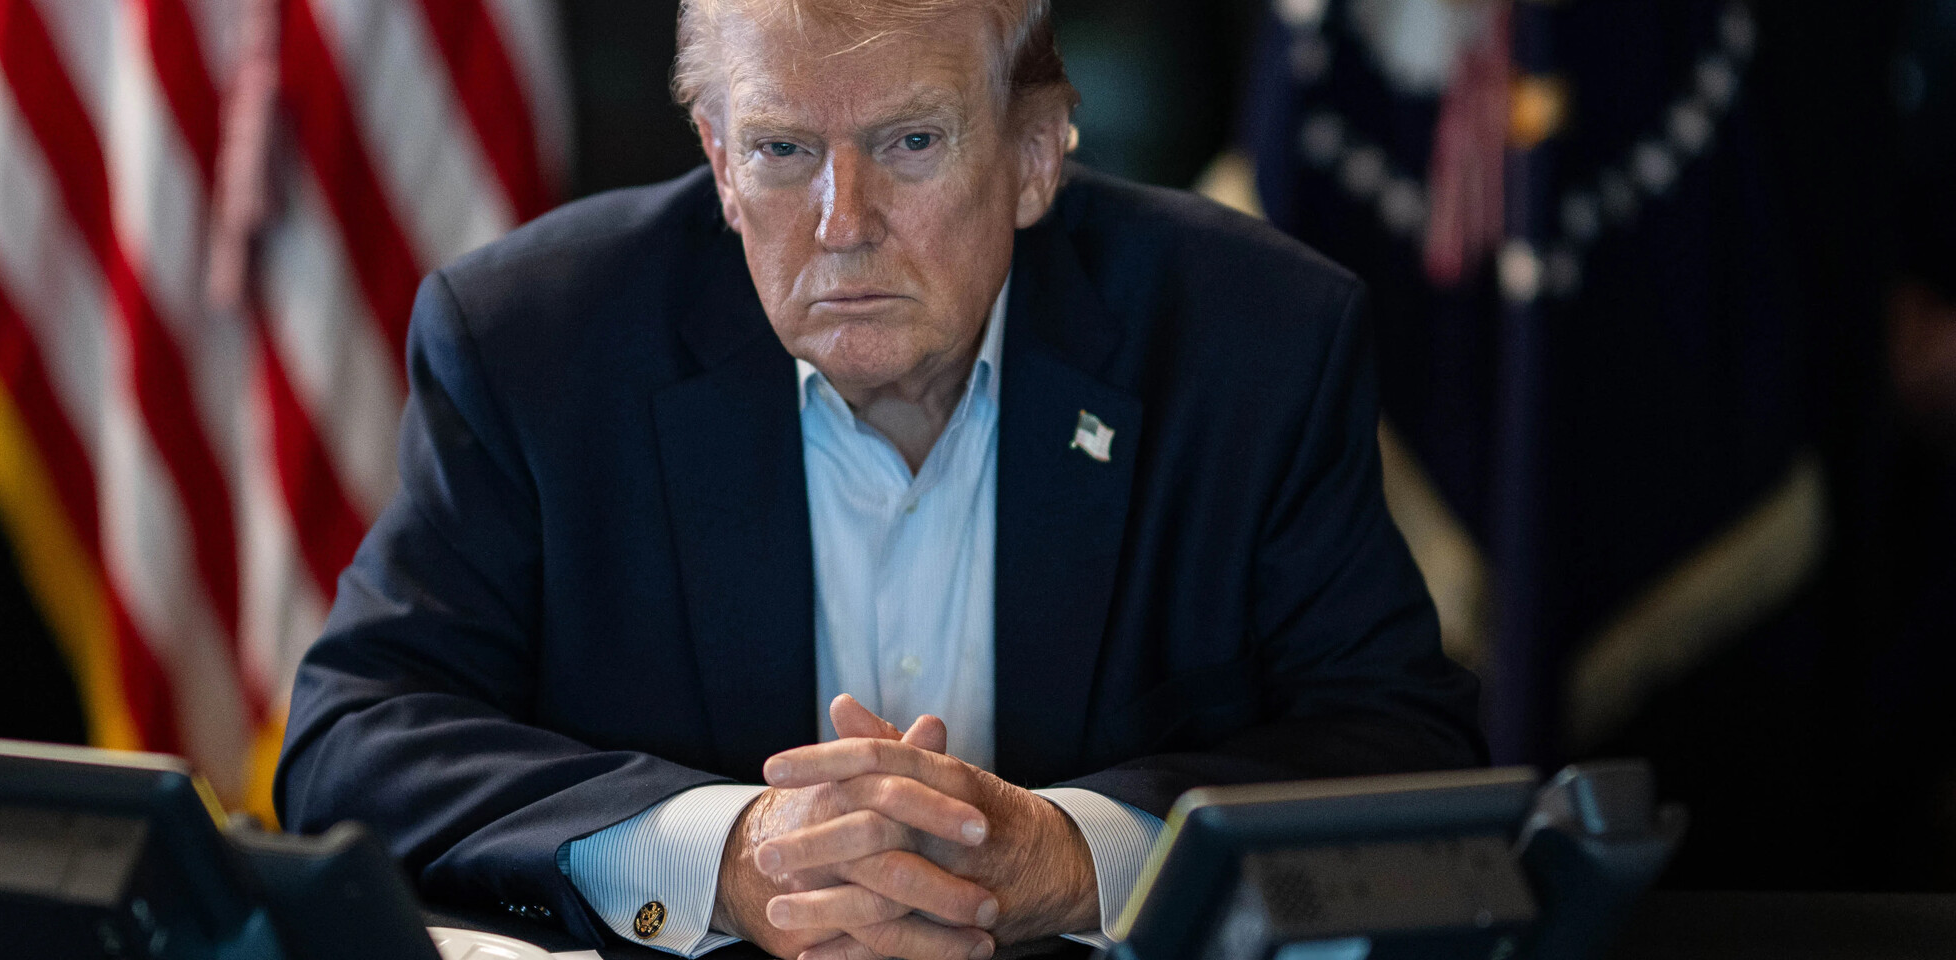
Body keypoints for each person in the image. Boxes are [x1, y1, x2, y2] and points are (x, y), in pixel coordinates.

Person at [275, 2, 1484, 958]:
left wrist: (1074, 856)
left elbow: (1404, 751)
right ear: (718, 160)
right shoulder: (532, 341)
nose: (841, 221)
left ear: (1035, 153)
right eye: (783, 150)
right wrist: (730, 854)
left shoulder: (1255, 339)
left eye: (910, 142)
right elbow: (354, 739)